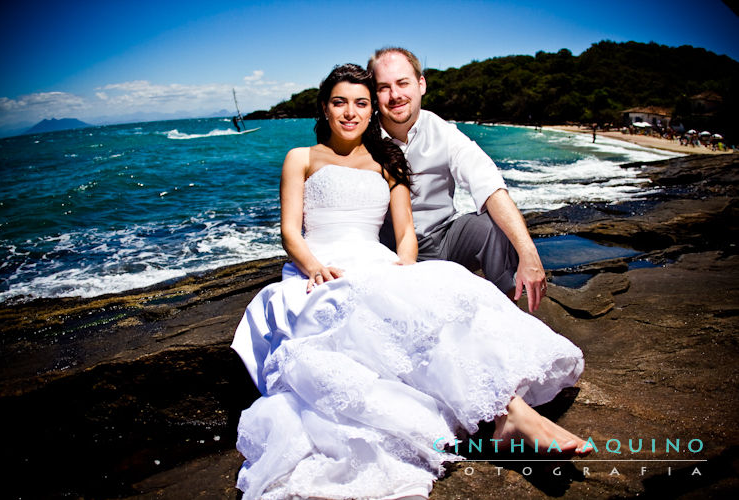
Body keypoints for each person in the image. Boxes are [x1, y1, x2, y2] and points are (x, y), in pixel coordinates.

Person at [231, 63, 588, 499]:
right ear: (324, 108)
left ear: (371, 110)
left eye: (361, 103)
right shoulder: (301, 158)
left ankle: (509, 412)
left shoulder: (387, 162)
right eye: (340, 102)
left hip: (377, 262)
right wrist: (314, 267)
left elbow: (405, 234)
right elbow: (290, 231)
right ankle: (511, 416)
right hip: (320, 270)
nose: (350, 112)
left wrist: (406, 269)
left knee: (429, 307)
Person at [368, 47, 547, 312]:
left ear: (421, 84)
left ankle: (510, 313)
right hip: (385, 249)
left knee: (491, 225)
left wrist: (528, 254)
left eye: (402, 83)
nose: (395, 95)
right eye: (384, 87)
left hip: (443, 242)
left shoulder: (444, 132)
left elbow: (489, 185)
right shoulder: (363, 138)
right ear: (373, 94)